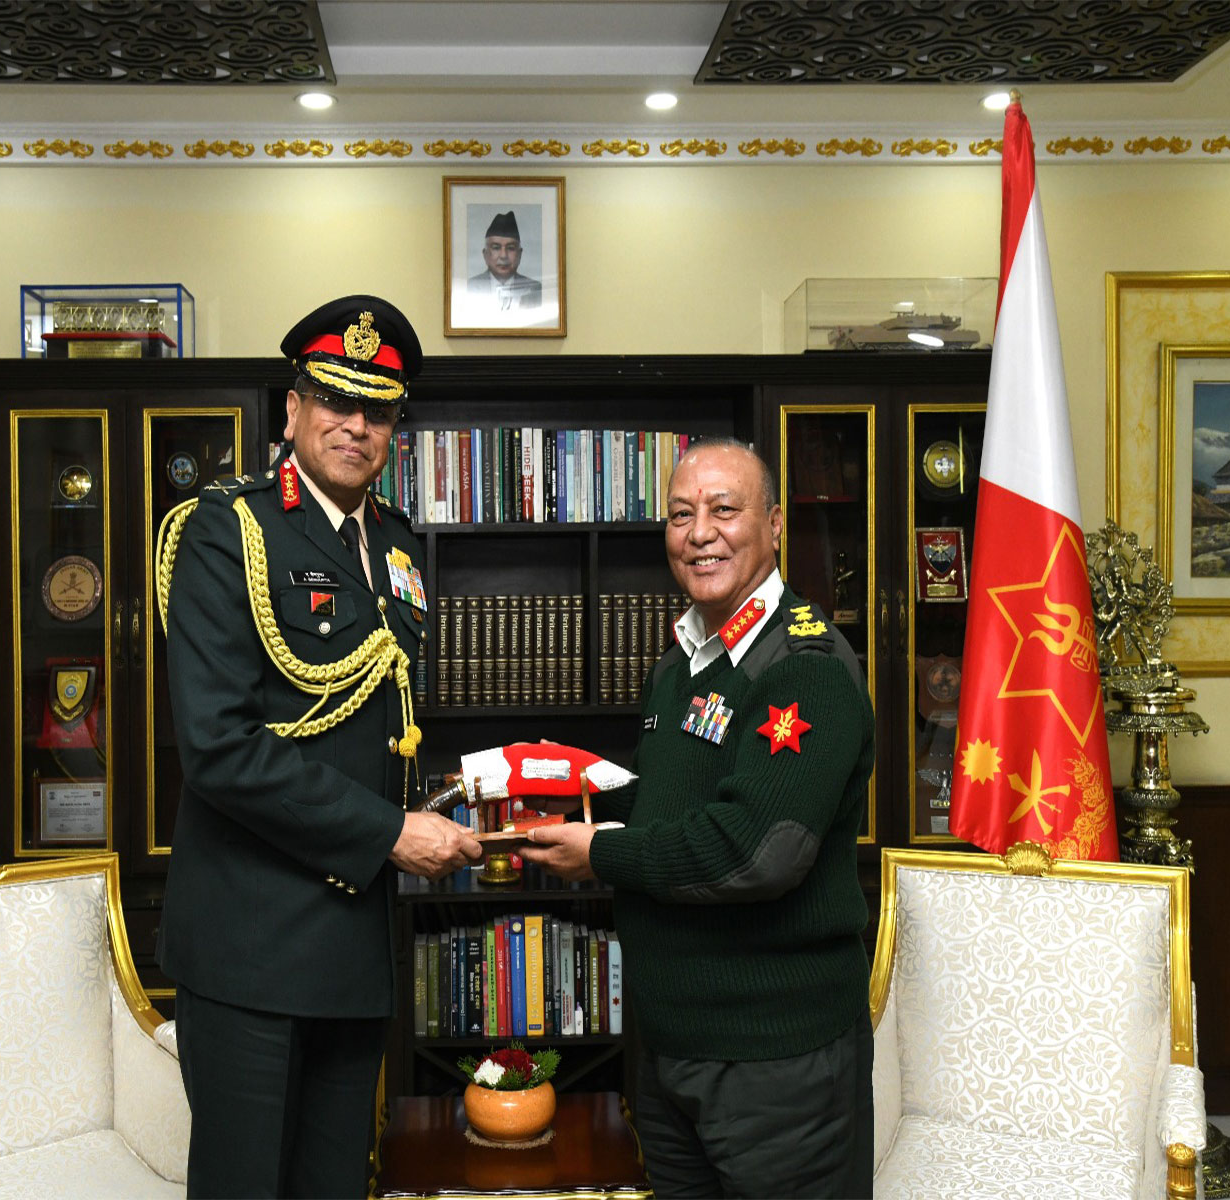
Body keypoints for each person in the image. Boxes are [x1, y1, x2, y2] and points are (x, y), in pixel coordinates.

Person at [156, 294, 482, 1199]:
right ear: (292, 410)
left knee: (339, 1185)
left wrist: (443, 809)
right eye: (334, 400)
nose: (355, 424)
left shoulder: (399, 547)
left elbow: (379, 730)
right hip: (251, 939)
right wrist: (388, 833)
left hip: (356, 942)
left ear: (394, 432)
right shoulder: (228, 529)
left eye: (376, 410)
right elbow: (218, 747)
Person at [522, 438, 875, 1199]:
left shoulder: (804, 667)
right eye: (681, 515)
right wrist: (551, 784)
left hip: (775, 1064)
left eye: (724, 510)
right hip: (675, 1050)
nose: (699, 532)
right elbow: (665, 803)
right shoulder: (682, 663)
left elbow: (756, 853)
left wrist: (601, 852)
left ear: (774, 525)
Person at [465, 210, 542, 310]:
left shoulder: (535, 289)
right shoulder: (468, 287)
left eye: (510, 248)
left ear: (520, 254)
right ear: (485, 254)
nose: (503, 256)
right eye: (496, 248)